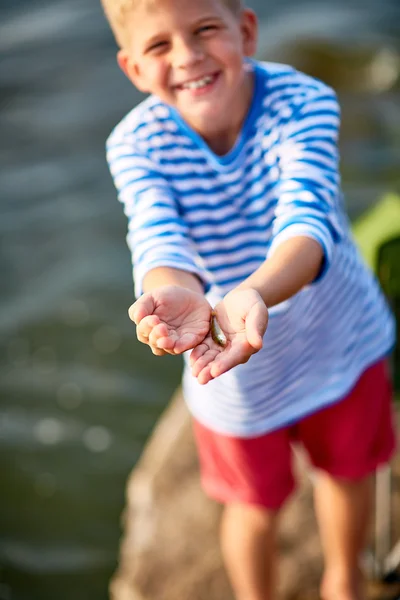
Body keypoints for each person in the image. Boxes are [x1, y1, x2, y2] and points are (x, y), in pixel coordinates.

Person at [101, 0, 397, 598]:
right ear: (133, 68)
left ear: (248, 30)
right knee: (251, 506)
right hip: (233, 368)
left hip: (336, 337)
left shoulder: (304, 102)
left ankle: (343, 579)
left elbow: (307, 224)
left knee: (348, 475)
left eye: (206, 28)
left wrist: (254, 291)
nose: (187, 56)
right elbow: (159, 238)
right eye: (159, 46)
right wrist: (173, 295)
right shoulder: (135, 145)